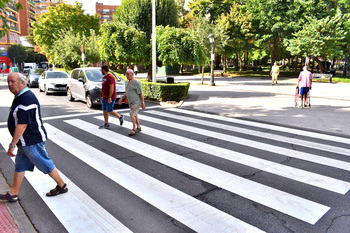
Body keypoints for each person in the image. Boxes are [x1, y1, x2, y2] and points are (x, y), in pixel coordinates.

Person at [0, 72, 68, 202]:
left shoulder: (27, 98)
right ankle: (13, 193)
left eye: (12, 81)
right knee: (20, 166)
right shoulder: (20, 96)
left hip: (31, 140)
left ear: (22, 83)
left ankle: (62, 185)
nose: (9, 84)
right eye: (8, 81)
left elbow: (22, 125)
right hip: (24, 142)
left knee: (44, 163)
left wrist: (12, 145)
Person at [118, 69, 146, 136]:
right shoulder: (127, 82)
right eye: (126, 74)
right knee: (135, 114)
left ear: (132, 74)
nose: (127, 76)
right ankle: (138, 127)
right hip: (131, 102)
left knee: (132, 114)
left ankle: (134, 129)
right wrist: (121, 99)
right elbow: (126, 92)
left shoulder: (137, 82)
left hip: (136, 102)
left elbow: (141, 93)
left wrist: (143, 103)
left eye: (128, 74)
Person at [99, 65, 124, 129]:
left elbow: (111, 87)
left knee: (109, 110)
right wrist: (101, 96)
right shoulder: (104, 78)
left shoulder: (110, 77)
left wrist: (109, 97)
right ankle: (106, 123)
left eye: (101, 70)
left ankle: (120, 117)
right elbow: (103, 87)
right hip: (104, 97)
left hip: (110, 97)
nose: (101, 71)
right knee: (104, 110)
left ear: (103, 70)